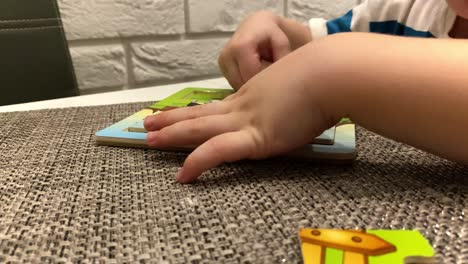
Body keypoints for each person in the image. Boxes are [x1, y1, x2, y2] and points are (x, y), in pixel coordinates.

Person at [144, 0, 468, 183]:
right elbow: (318, 42)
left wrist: (331, 69)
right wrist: (273, 29)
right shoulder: (402, 9)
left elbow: (331, 57)